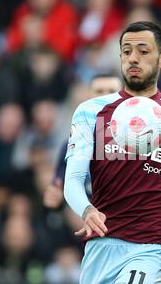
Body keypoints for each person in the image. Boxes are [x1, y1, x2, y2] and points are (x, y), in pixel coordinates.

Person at [63, 21, 161, 284]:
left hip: (151, 248)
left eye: (143, 51)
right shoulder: (90, 112)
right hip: (99, 249)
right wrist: (86, 210)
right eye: (127, 51)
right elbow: (73, 179)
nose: (133, 58)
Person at [43, 74, 122, 209]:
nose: (104, 97)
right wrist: (55, 199)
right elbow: (59, 192)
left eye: (111, 92)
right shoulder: (72, 144)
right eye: (99, 92)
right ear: (89, 98)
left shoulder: (142, 141)